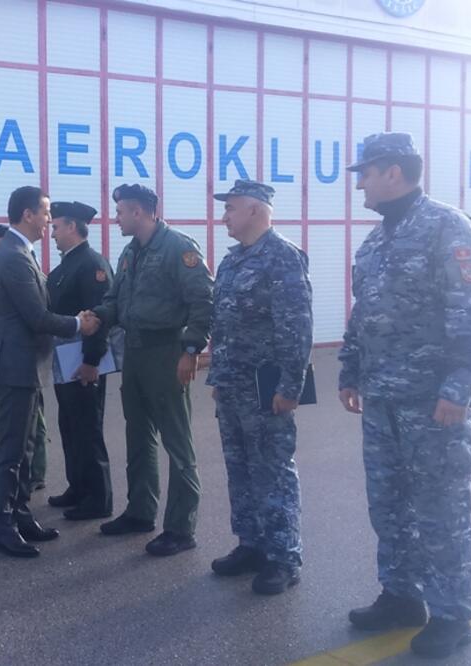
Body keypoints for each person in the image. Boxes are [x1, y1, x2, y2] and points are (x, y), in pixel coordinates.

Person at [339, 132, 471, 658]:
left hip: (433, 403)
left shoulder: (447, 227)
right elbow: (363, 314)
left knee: (441, 509)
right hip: (382, 399)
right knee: (389, 505)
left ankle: (452, 614)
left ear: (393, 173)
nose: (359, 182)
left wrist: (457, 388)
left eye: (366, 172)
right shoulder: (376, 241)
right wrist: (349, 370)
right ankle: (402, 595)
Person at [91, 184, 214, 557]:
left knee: (177, 441)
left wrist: (191, 349)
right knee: (138, 436)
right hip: (137, 352)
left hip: (166, 351)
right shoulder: (131, 252)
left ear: (140, 212)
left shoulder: (179, 247)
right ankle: (141, 511)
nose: (117, 218)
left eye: (121, 212)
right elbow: (115, 300)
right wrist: (95, 317)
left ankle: (180, 527)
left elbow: (203, 300)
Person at [206, 180, 313, 595]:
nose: (224, 217)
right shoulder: (233, 261)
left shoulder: (282, 258)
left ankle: (284, 556)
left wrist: (292, 386)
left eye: (230, 209)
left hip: (268, 387)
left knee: (274, 470)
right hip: (233, 384)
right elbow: (224, 324)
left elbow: (297, 328)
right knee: (240, 468)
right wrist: (217, 376)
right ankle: (251, 544)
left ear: (254, 210)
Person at [0, 186, 99, 558]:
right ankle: (1, 526)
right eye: (46, 212)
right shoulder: (14, 257)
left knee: (25, 447)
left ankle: (19, 514)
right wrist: (80, 324)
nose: (50, 220)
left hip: (27, 365)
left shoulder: (21, 253)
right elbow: (37, 316)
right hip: (16, 366)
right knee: (10, 450)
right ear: (28, 214)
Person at [45, 200, 114, 521]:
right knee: (70, 426)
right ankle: (78, 487)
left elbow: (99, 319)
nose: (52, 233)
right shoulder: (65, 266)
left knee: (88, 429)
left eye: (56, 227)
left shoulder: (91, 265)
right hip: (63, 360)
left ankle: (98, 498)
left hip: (82, 361)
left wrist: (91, 362)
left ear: (72, 227)